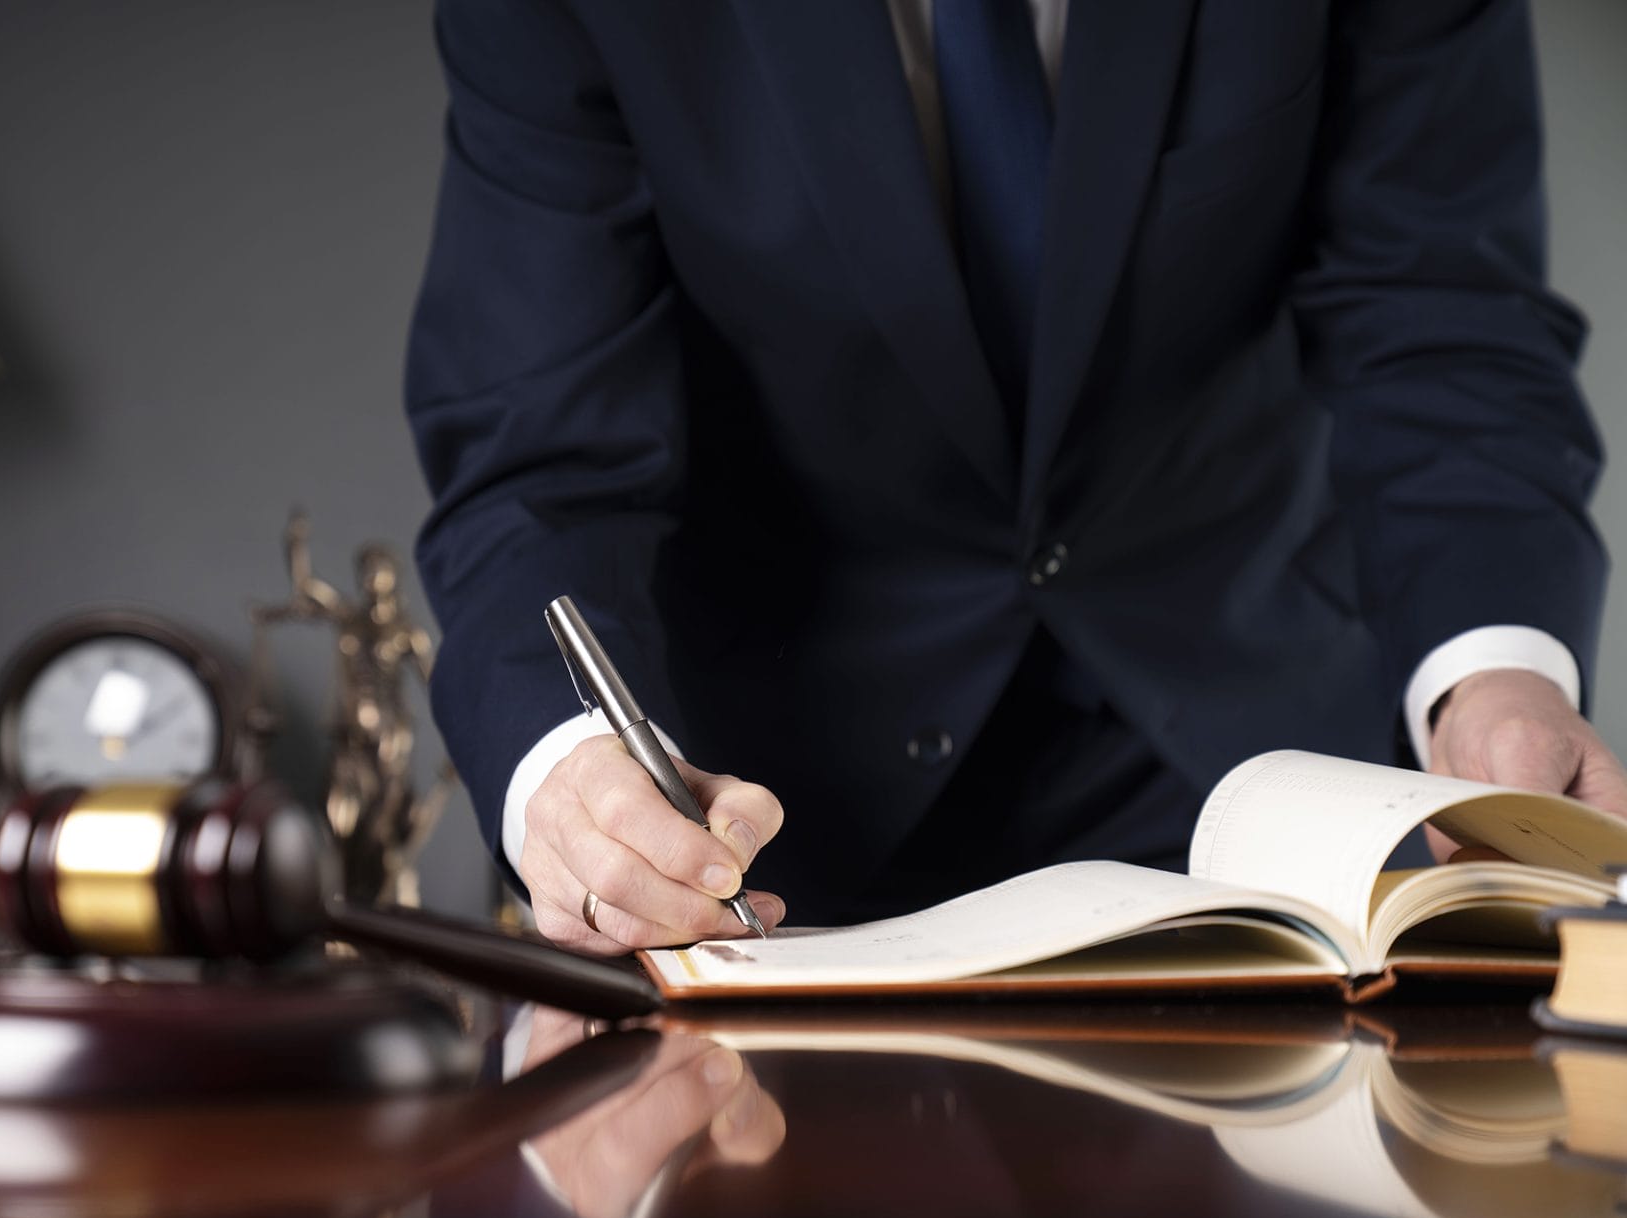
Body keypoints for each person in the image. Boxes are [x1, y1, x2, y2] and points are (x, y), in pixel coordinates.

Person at [404, 0, 1627, 956]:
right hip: (774, 840)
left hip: (1267, 794)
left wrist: (1494, 674)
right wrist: (568, 770)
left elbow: (1441, 321)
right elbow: (537, 454)